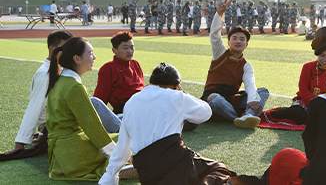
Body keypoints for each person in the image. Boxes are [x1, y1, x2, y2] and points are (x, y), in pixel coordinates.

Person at [98, 63, 236, 185]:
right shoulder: (176, 96)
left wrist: (110, 175)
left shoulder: (131, 101)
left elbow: (123, 146)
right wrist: (183, 93)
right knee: (219, 168)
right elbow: (206, 113)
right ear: (174, 85)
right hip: (175, 165)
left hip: (147, 172)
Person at [46, 37, 120, 181]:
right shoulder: (74, 86)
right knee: (126, 138)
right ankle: (121, 166)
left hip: (60, 152)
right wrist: (114, 152)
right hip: (73, 152)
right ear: (77, 59)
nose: (94, 57)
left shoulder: (60, 81)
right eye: (90, 53)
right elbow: (92, 126)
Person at [1, 31, 73, 161]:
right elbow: (34, 108)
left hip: (55, 124)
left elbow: (48, 105)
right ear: (52, 49)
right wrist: (20, 143)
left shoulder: (58, 70)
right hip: (55, 126)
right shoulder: (45, 74)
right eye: (64, 48)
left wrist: (40, 134)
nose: (69, 52)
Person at [200, 0, 269, 129]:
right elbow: (214, 34)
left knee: (263, 92)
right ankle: (239, 118)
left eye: (242, 39)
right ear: (229, 42)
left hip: (232, 100)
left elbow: (250, 83)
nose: (238, 41)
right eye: (235, 38)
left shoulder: (246, 65)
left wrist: (251, 100)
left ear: (246, 44)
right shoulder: (220, 53)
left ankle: (246, 115)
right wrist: (220, 13)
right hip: (214, 100)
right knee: (215, 98)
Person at [267, 27, 326, 125]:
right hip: (306, 101)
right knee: (297, 115)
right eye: (322, 55)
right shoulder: (308, 67)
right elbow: (303, 90)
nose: (325, 59)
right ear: (317, 54)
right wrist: (317, 103)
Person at [93, 32, 145, 115]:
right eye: (125, 48)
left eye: (132, 48)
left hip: (144, 104)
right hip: (125, 110)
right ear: (114, 50)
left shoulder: (135, 64)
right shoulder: (108, 68)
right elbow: (100, 98)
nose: (130, 51)